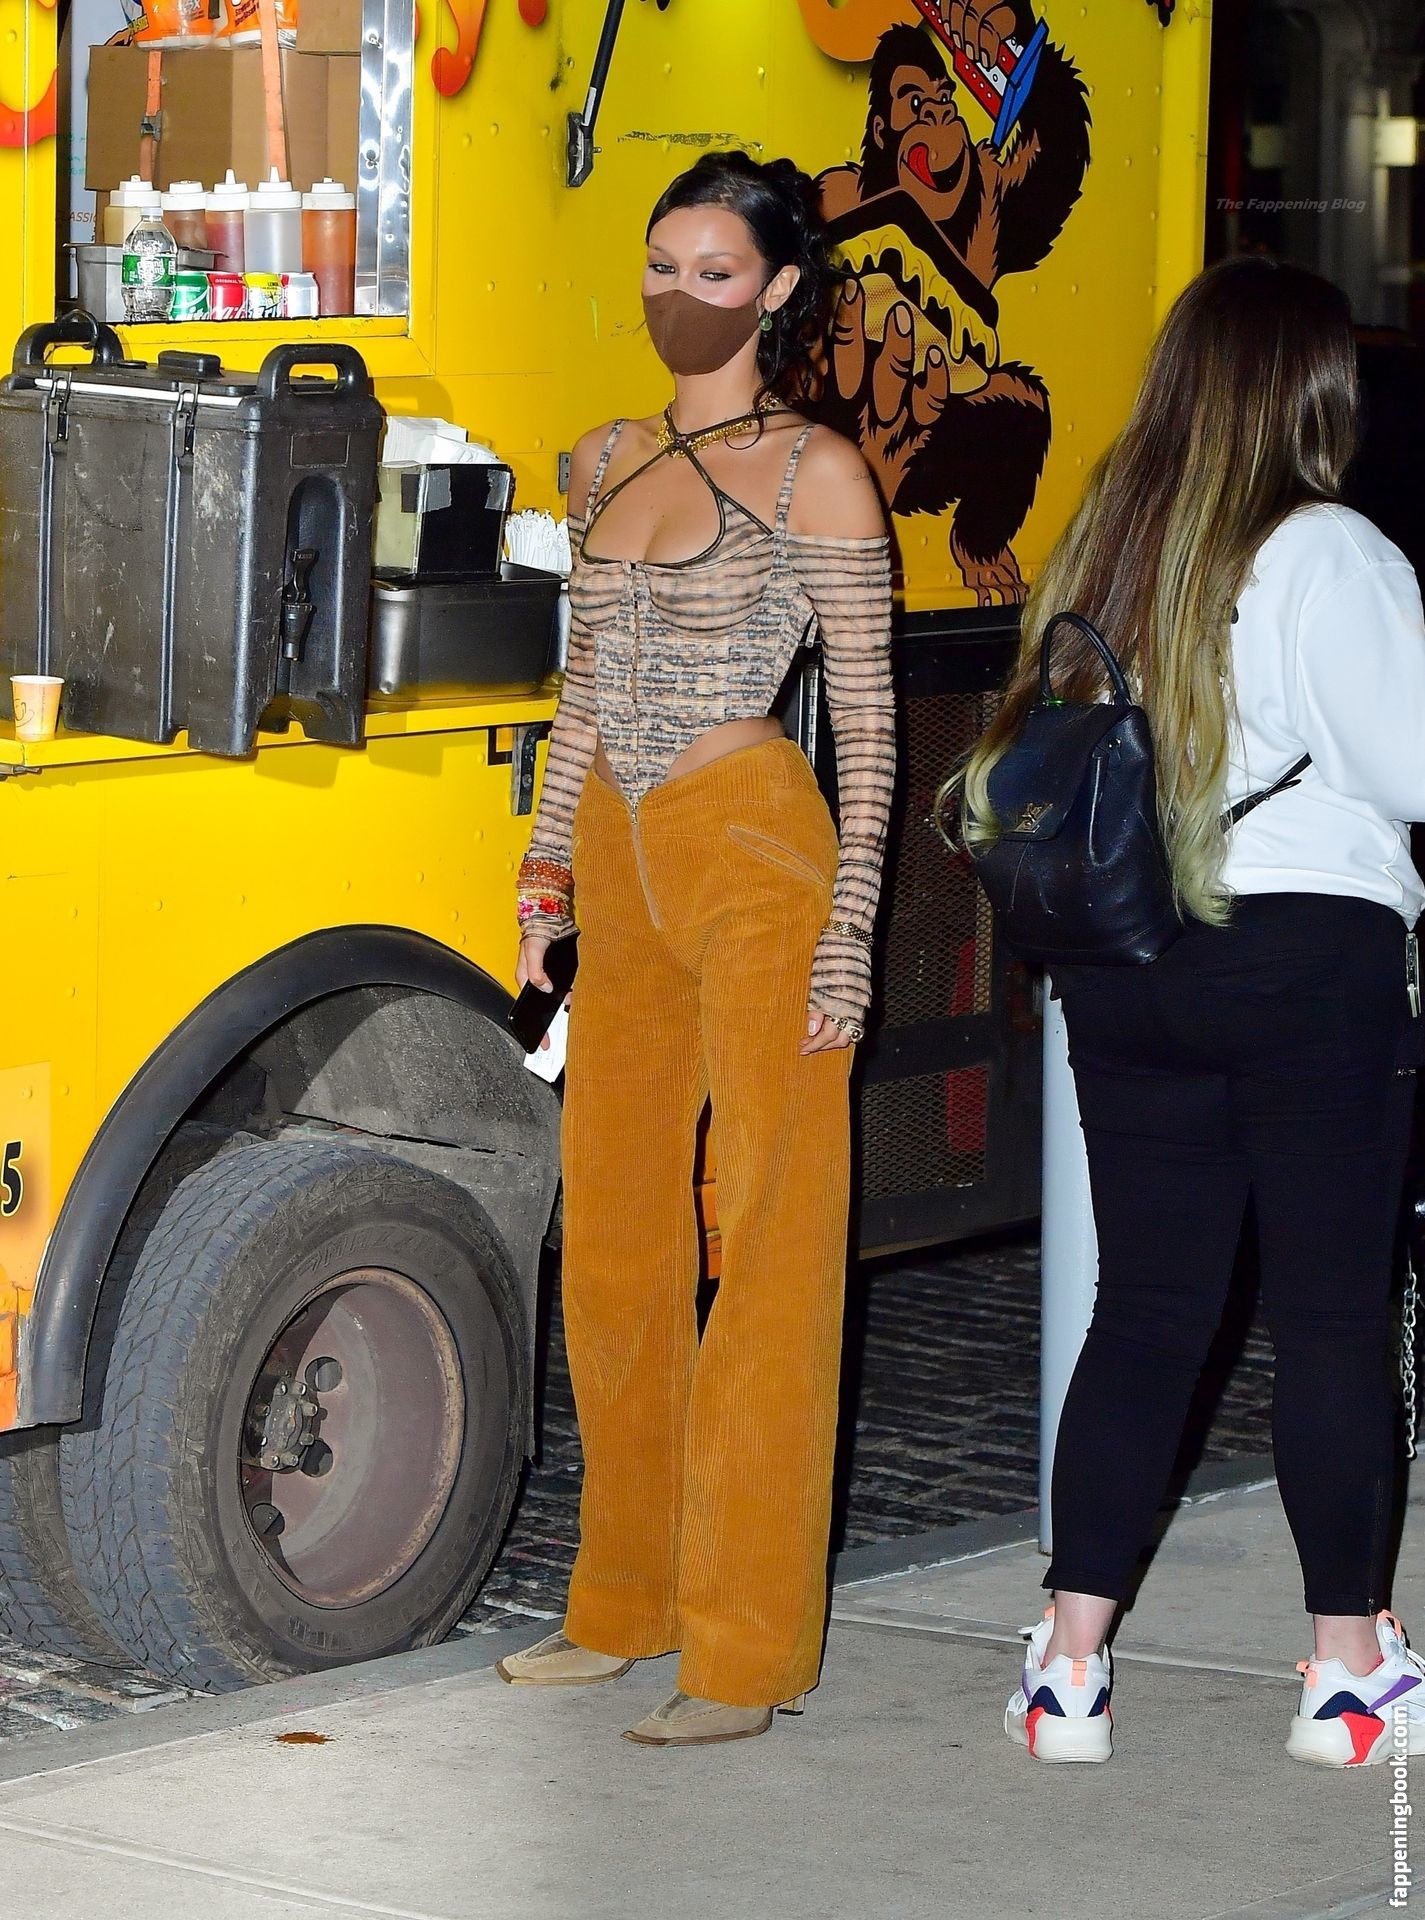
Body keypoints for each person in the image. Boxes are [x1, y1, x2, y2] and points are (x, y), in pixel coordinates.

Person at [956, 256, 1425, 1767]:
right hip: (1304, 965)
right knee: (1331, 1315)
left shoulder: (1105, 542)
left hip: (1128, 965)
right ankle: (1346, 1673)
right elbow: (1408, 766)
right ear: (1313, 391)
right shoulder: (1328, 549)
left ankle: (1065, 1669)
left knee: (1148, 1310)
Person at [495, 151, 896, 1747]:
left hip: (752, 844)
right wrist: (544, 864)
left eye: (713, 272)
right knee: (610, 1243)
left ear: (779, 289)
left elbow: (869, 724)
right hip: (619, 844)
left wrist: (851, 929)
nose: (678, 295)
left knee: (774, 1243)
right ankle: (621, 1602)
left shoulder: (817, 475)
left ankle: (740, 1651)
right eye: (662, 266)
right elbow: (582, 687)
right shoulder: (607, 456)